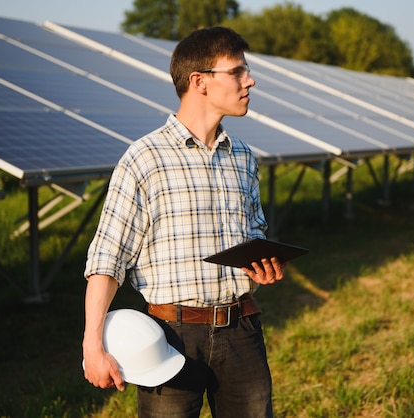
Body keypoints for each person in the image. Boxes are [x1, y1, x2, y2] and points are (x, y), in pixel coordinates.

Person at [82, 26, 286, 418]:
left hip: (242, 330)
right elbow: (108, 258)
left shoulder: (243, 157)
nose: (250, 80)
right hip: (170, 337)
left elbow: (254, 234)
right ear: (200, 81)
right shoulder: (145, 158)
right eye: (238, 71)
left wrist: (262, 266)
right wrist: (93, 344)